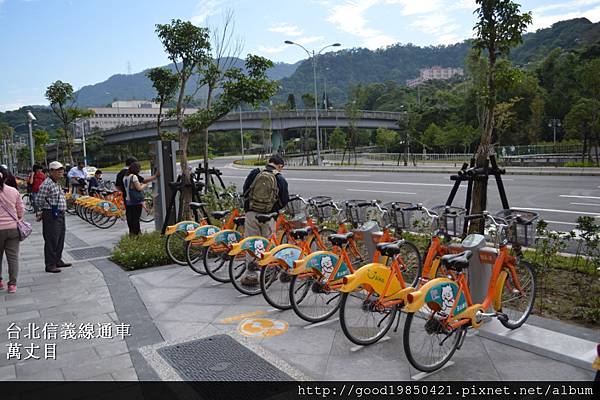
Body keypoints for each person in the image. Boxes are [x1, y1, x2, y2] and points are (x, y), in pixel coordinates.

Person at [241, 155, 289, 286]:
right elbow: (284, 200)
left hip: (251, 214)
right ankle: (266, 274)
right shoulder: (279, 178)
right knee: (268, 246)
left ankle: (251, 276)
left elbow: (245, 191)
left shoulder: (255, 173)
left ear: (269, 162)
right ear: (280, 166)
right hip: (268, 216)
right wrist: (274, 209)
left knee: (252, 244)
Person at [35, 161, 71, 273]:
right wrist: (44, 210)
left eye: (62, 169)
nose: (61, 171)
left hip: (59, 213)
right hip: (51, 214)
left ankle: (57, 260)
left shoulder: (56, 182)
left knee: (60, 238)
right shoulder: (47, 184)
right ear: (51, 171)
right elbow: (38, 200)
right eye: (58, 170)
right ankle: (50, 264)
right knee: (52, 239)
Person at [0, 165, 24, 293]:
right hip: (12, 229)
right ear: (5, 177)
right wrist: (18, 218)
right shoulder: (13, 191)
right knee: (13, 257)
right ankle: (12, 284)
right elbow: (20, 209)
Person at [123, 162, 154, 236]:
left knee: (131, 218)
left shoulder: (125, 177)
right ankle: (137, 233)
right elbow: (139, 188)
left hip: (128, 200)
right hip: (135, 201)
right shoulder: (133, 177)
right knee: (136, 218)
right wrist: (145, 185)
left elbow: (130, 187)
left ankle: (132, 233)